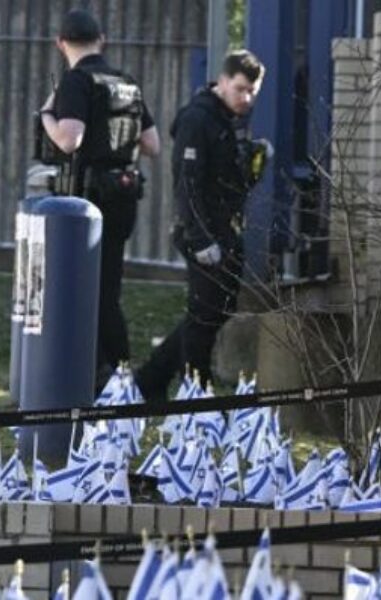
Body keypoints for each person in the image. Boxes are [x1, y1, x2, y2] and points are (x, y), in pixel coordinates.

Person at [135, 50, 267, 402]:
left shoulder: (227, 119)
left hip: (227, 231)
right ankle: (197, 393)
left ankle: (152, 378)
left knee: (214, 312)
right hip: (203, 232)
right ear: (222, 82)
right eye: (241, 89)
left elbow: (229, 182)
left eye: (253, 91)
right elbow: (188, 185)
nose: (247, 98)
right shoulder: (199, 119)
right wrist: (201, 239)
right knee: (202, 317)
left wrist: (253, 166)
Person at [37, 9, 160, 385]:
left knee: (79, 289)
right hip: (123, 196)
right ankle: (119, 371)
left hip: (88, 202)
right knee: (108, 291)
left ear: (61, 44)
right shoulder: (125, 82)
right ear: (101, 39)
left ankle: (100, 373)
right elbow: (152, 145)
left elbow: (68, 139)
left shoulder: (77, 81)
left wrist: (45, 115)